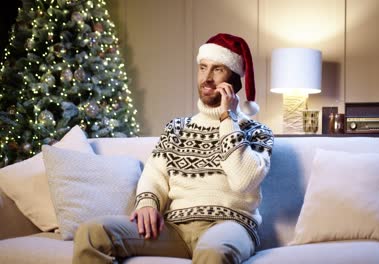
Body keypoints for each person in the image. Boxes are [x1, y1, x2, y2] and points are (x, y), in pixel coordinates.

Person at [72, 33, 274, 264]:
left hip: (229, 226)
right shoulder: (177, 127)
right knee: (92, 232)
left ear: (235, 80)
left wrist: (227, 118)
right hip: (174, 229)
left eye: (217, 69)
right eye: (202, 68)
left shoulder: (257, 132)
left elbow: (243, 180)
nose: (206, 78)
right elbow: (154, 174)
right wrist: (147, 203)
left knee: (213, 252)